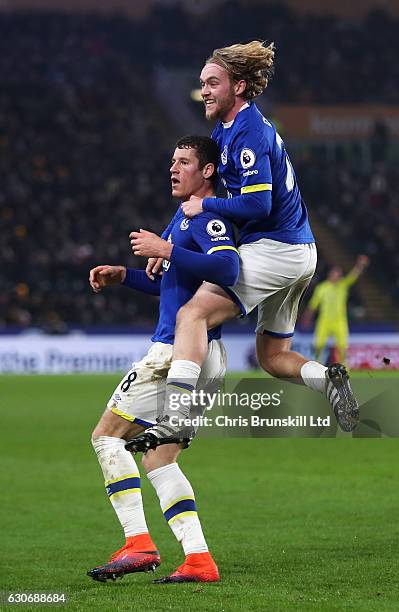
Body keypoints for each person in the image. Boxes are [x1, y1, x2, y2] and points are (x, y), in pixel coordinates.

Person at [132, 40, 359, 451]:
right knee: (272, 356)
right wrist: (170, 237)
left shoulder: (250, 132)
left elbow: (258, 202)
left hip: (277, 247)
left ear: (238, 86)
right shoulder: (227, 130)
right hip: (300, 252)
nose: (204, 90)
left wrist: (204, 206)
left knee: (192, 314)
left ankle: (174, 418)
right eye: (202, 83)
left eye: (212, 83)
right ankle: (328, 380)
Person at [87, 135, 239, 584]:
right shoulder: (182, 216)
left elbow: (227, 270)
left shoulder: (207, 214)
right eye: (171, 160)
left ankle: (138, 543)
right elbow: (177, 281)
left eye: (185, 161)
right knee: (159, 458)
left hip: (176, 351)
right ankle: (198, 560)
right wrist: (126, 275)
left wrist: (166, 249)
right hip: (204, 354)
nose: (173, 168)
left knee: (106, 437)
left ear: (207, 171)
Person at [303, 255, 370, 363]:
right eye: (335, 273)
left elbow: (353, 276)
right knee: (318, 346)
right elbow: (313, 305)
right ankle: (317, 368)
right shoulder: (322, 288)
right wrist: (307, 318)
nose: (337, 275)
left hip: (339, 322)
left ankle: (344, 371)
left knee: (342, 348)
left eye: (339, 274)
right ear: (330, 274)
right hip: (324, 321)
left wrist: (360, 265)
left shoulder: (342, 286)